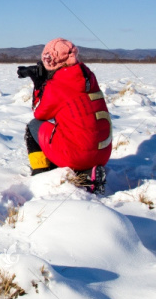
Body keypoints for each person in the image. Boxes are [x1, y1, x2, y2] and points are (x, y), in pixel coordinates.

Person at [17, 38, 111, 193]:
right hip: (102, 154)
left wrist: (39, 85)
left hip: (77, 155)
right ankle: (87, 174)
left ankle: (41, 173)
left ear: (50, 61)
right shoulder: (87, 76)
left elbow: (39, 112)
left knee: (33, 126)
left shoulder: (58, 85)